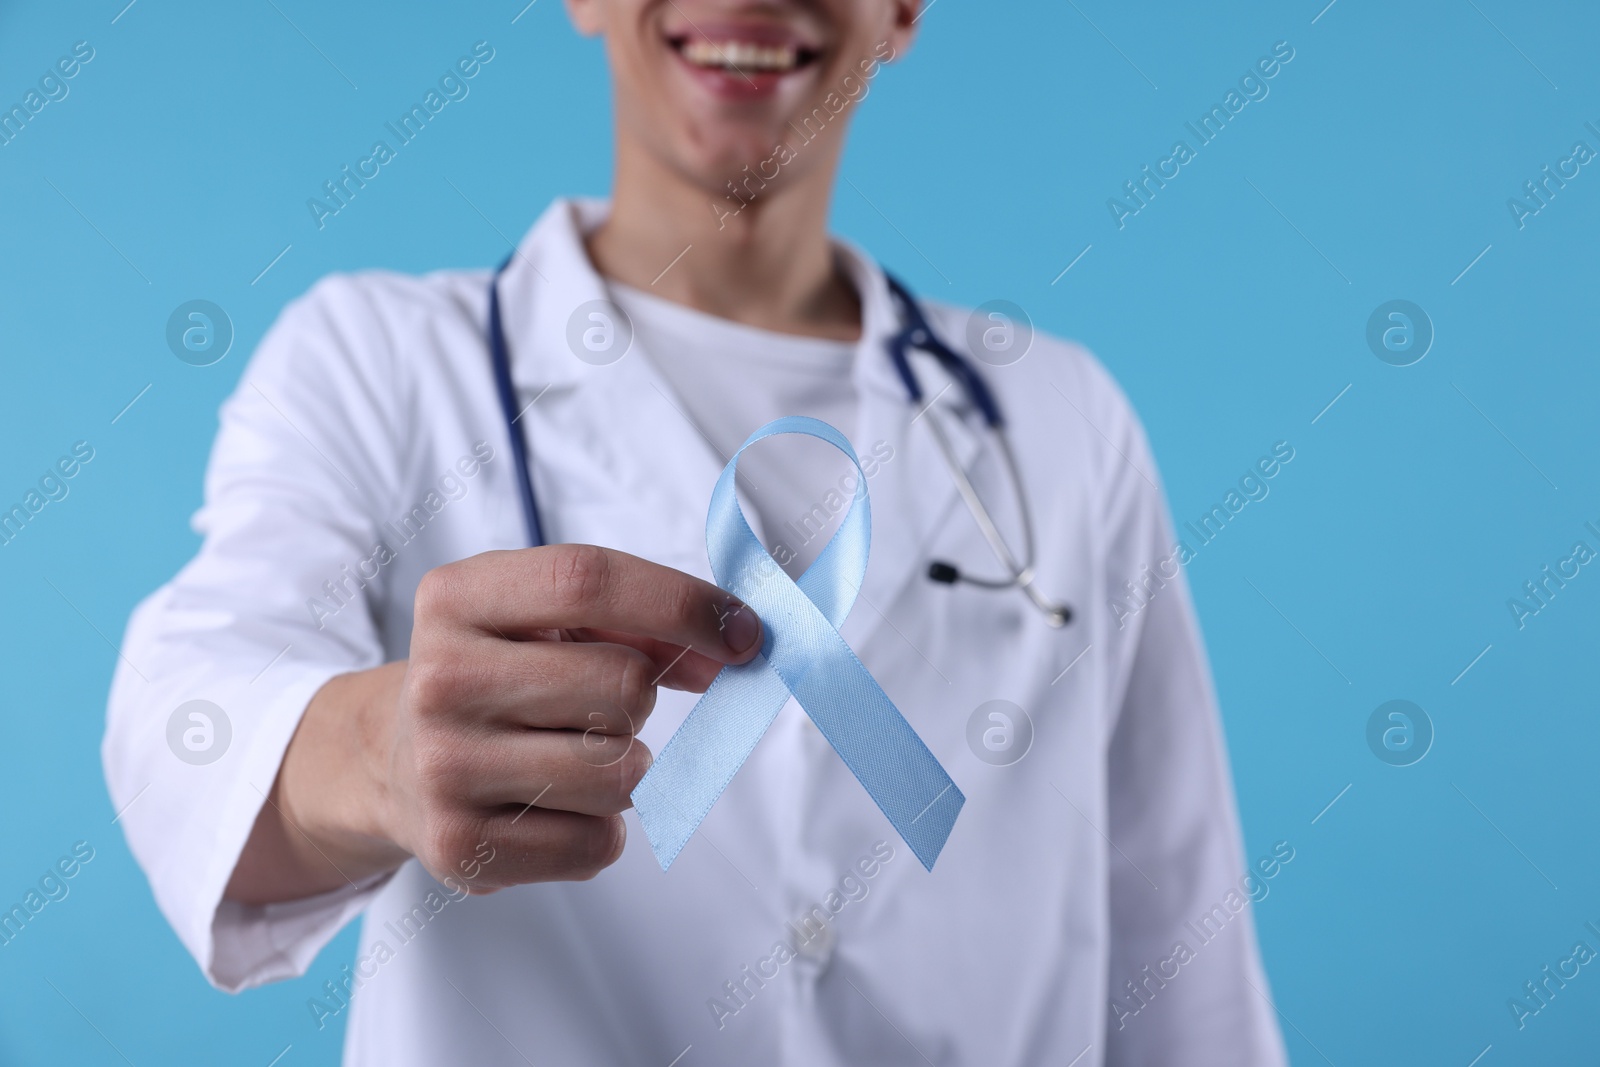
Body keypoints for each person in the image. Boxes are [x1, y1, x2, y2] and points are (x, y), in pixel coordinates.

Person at [104, 0, 1287, 1063]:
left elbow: (1183, 953)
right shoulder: (377, 361)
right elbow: (186, 717)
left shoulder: (1059, 415)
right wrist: (378, 752)